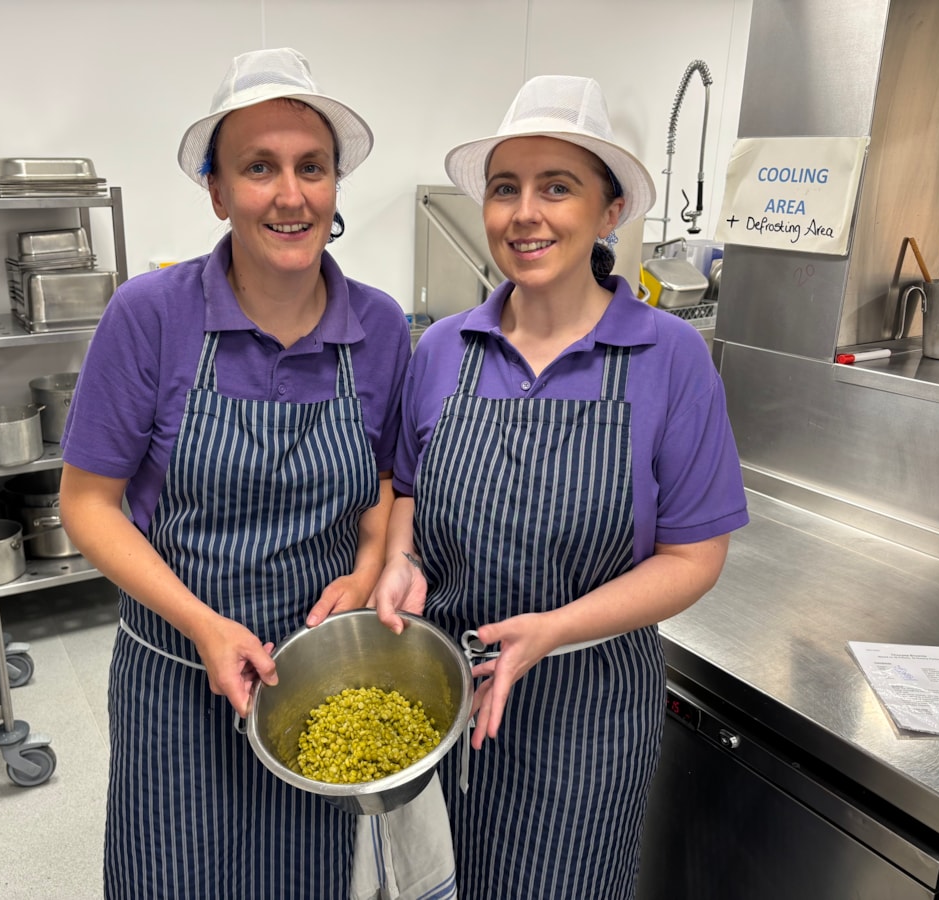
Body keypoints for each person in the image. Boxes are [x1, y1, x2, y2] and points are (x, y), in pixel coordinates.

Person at [371, 75, 749, 899]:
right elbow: (408, 493)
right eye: (505, 188)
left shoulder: (669, 358)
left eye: (557, 188)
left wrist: (553, 629)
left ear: (610, 212)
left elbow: (694, 557)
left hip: (586, 718)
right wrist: (401, 560)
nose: (524, 213)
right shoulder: (442, 350)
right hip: (442, 701)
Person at [58, 48, 410, 899]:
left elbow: (384, 483)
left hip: (316, 682)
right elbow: (88, 505)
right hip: (177, 677)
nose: (290, 194)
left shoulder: (382, 326)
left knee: (302, 879)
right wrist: (204, 626)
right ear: (216, 191)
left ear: (334, 186)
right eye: (259, 168)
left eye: (311, 167)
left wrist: (370, 564)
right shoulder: (151, 316)